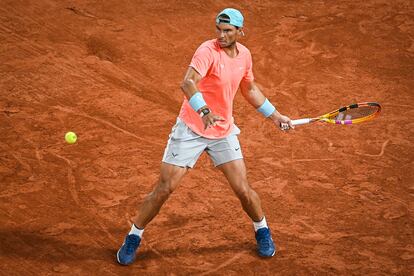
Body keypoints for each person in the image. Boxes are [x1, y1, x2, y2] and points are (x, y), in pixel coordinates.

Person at [117, 8, 294, 265]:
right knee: (165, 188)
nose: (221, 35)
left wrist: (275, 116)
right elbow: (188, 82)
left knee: (243, 189)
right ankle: (134, 236)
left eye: (228, 31)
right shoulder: (207, 51)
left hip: (222, 131)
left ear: (240, 32)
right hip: (192, 128)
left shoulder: (244, 55)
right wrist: (204, 111)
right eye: (219, 30)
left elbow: (250, 88)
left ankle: (262, 230)